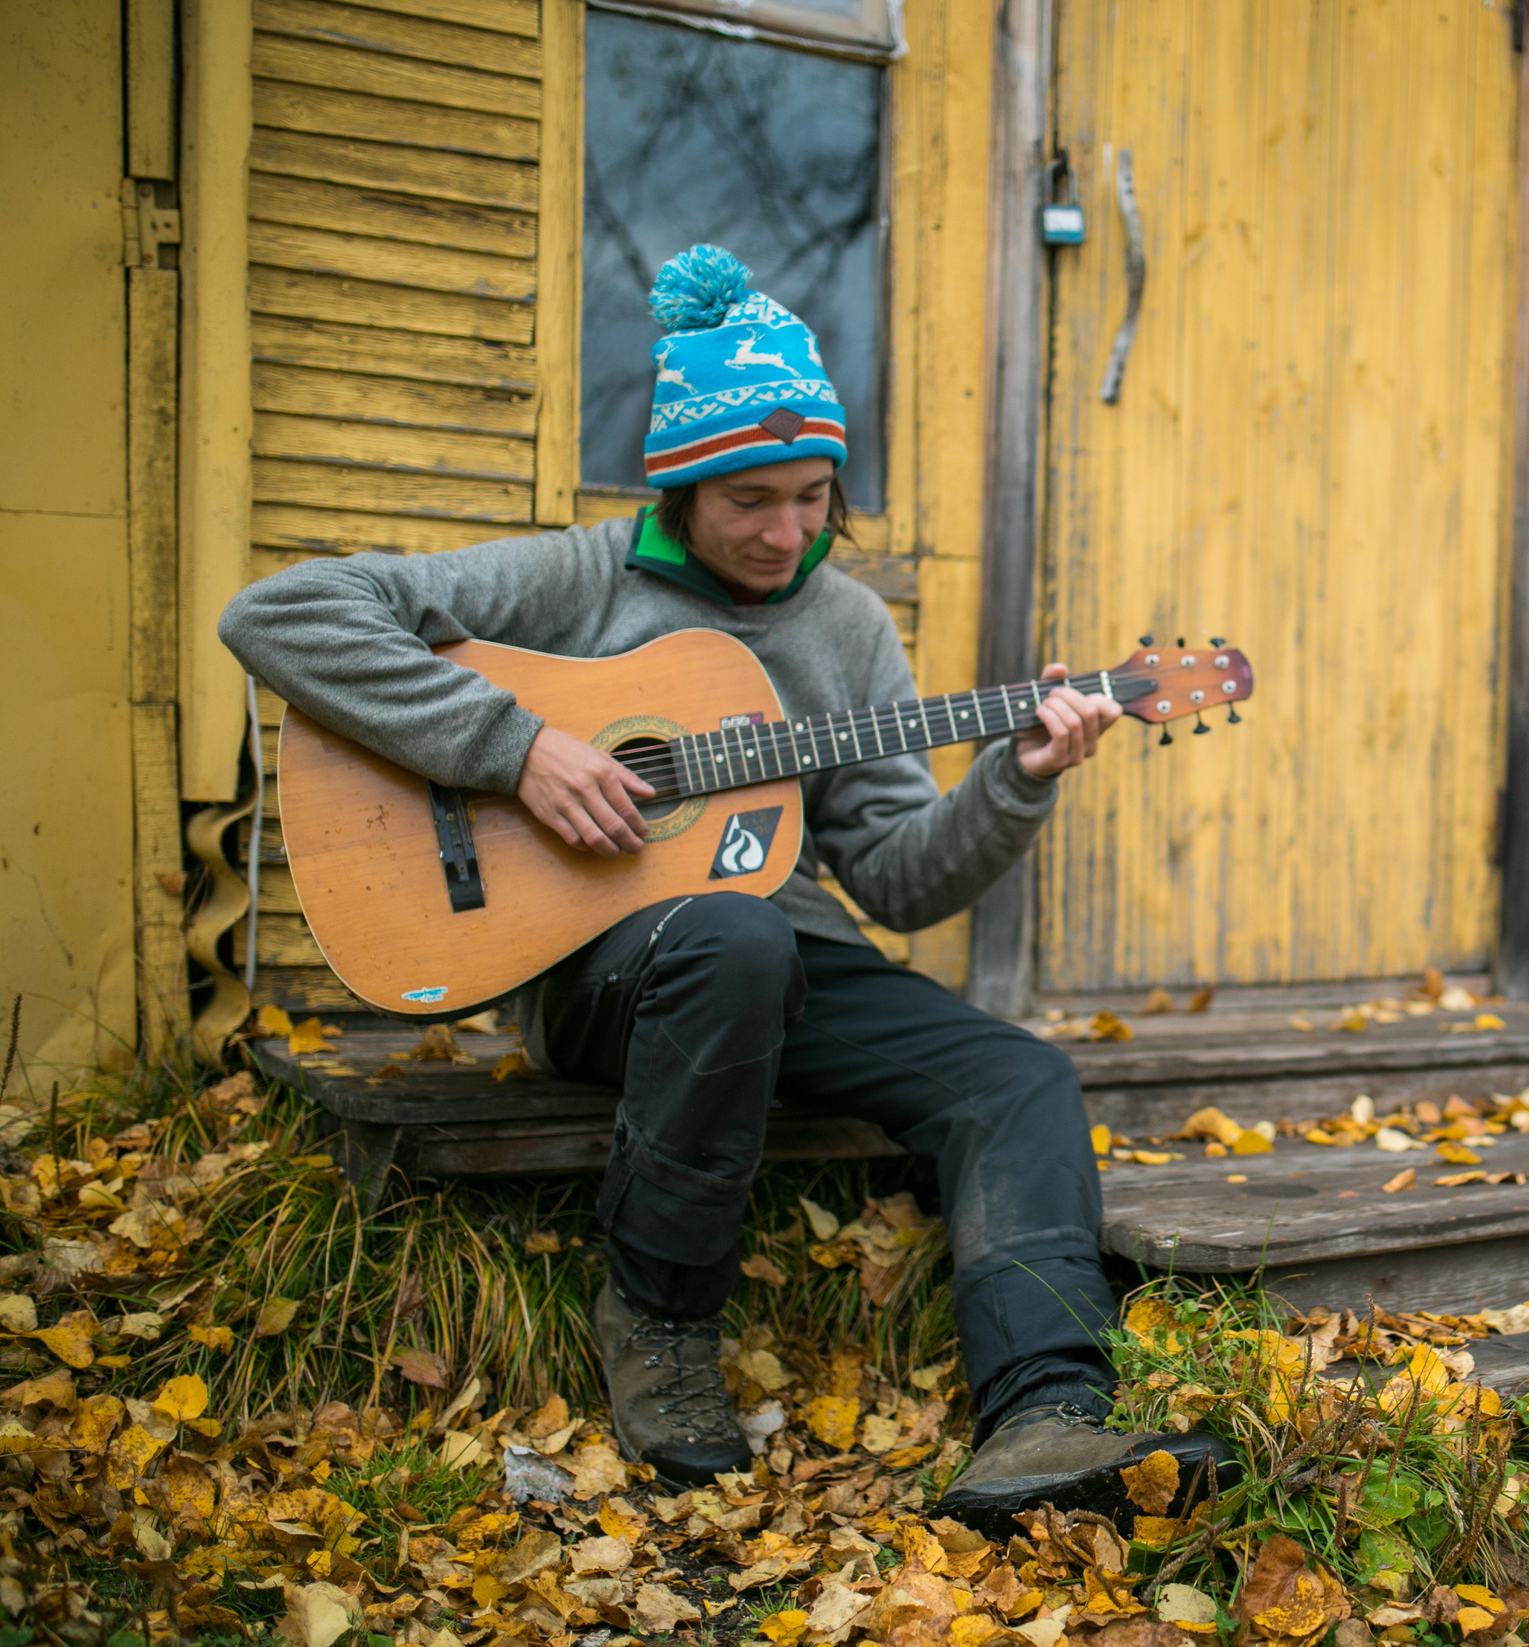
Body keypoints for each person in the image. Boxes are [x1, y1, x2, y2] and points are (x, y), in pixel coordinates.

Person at [219, 245, 1233, 1529]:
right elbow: (280, 614)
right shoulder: (579, 577)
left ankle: (1044, 1415)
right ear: (681, 486)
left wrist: (1017, 779)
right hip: (606, 972)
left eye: (813, 497)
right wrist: (517, 749)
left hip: (786, 960)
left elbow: (896, 879)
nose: (787, 532)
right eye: (752, 499)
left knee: (1013, 1071)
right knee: (732, 939)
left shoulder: (846, 624)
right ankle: (657, 1316)